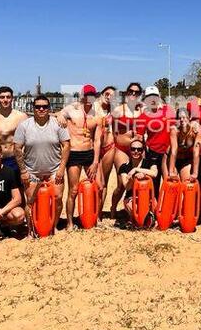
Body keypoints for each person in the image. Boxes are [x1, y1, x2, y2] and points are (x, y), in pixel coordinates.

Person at [13, 95, 70, 235]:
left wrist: (61, 169)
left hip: (54, 170)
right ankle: (30, 230)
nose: (41, 109)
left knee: (57, 198)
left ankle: (53, 226)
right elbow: (17, 148)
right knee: (30, 201)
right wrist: (23, 171)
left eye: (44, 106)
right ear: (33, 108)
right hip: (32, 171)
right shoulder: (24, 126)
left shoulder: (58, 124)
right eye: (38, 107)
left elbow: (66, 146)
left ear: (49, 108)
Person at [57, 85, 103, 231]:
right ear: (81, 95)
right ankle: (70, 222)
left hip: (89, 153)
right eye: (86, 95)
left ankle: (94, 217)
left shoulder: (97, 115)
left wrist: (95, 161)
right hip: (74, 153)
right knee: (73, 190)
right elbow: (58, 115)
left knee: (99, 186)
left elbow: (97, 141)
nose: (88, 98)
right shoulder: (71, 109)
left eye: (91, 95)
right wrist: (59, 116)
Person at [109, 82, 146, 218]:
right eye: (131, 91)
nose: (133, 94)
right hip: (122, 149)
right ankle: (113, 207)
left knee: (138, 180)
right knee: (122, 184)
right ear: (127, 92)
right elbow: (115, 134)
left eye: (136, 92)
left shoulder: (143, 110)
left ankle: (134, 209)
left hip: (138, 149)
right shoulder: (119, 110)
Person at [140, 86, 175, 188]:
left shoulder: (169, 110)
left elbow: (175, 130)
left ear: (159, 96)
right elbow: (139, 136)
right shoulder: (143, 115)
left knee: (169, 184)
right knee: (153, 184)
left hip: (169, 153)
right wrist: (142, 151)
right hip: (153, 153)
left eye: (154, 96)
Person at [119, 139, 159, 223]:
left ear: (143, 151)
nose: (136, 151)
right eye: (133, 149)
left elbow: (154, 173)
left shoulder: (150, 162)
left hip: (148, 197)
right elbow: (127, 187)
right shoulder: (124, 167)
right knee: (137, 213)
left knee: (152, 211)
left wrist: (137, 170)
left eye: (139, 149)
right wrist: (133, 179)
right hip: (131, 197)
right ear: (129, 150)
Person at [94, 86, 117, 215]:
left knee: (105, 181)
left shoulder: (114, 110)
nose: (109, 97)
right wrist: (61, 115)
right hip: (95, 148)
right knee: (98, 183)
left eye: (112, 96)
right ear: (101, 94)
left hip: (109, 146)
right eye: (107, 94)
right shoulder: (92, 108)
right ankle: (93, 211)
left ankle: (99, 213)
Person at [166, 108, 201, 180]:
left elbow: (196, 151)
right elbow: (174, 150)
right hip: (171, 159)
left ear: (189, 118)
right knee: (171, 184)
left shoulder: (196, 130)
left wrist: (195, 173)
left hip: (186, 160)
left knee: (187, 183)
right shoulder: (175, 130)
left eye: (184, 117)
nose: (181, 120)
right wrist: (171, 171)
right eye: (179, 118)